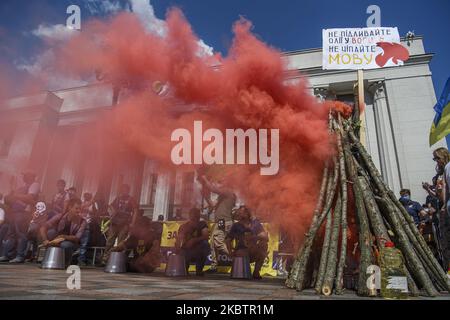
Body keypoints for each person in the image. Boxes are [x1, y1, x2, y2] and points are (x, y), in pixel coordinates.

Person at [197, 173, 236, 273]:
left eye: (221, 182)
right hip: (220, 222)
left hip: (224, 221)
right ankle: (214, 266)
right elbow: (212, 205)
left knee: (218, 242)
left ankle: (234, 259)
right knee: (213, 244)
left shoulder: (228, 192)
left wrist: (205, 178)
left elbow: (213, 189)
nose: (219, 184)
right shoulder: (222, 196)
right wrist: (205, 196)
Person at [0, 172, 40, 263]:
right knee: (11, 234)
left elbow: (30, 198)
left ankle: (20, 256)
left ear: (32, 176)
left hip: (24, 212)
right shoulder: (23, 186)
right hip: (14, 212)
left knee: (21, 234)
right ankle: (8, 255)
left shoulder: (35, 185)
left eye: (26, 174)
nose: (24, 176)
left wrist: (16, 196)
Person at [225, 206, 268, 279]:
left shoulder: (255, 224)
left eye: (243, 212)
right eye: (240, 212)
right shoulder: (236, 225)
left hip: (253, 249)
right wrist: (230, 252)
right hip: (241, 250)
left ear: (248, 213)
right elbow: (228, 239)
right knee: (242, 252)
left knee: (264, 245)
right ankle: (242, 272)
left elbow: (265, 237)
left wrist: (254, 237)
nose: (240, 214)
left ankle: (256, 272)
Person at [40, 198, 86, 266]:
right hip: (57, 239)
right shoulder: (60, 216)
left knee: (66, 245)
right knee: (50, 233)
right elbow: (43, 227)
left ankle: (65, 263)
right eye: (76, 208)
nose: (78, 211)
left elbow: (77, 238)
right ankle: (48, 260)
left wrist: (63, 237)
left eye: (80, 209)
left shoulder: (82, 221)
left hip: (71, 242)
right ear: (70, 207)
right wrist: (45, 240)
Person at [101, 184, 138, 265]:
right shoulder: (118, 198)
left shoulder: (131, 199)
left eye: (125, 189)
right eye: (122, 189)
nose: (123, 191)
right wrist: (112, 213)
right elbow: (110, 206)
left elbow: (135, 211)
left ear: (128, 191)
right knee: (110, 241)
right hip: (114, 222)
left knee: (121, 243)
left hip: (124, 223)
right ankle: (105, 259)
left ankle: (118, 260)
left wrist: (132, 223)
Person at [175, 208, 210, 276]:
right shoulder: (184, 226)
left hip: (198, 249)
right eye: (193, 214)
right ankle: (184, 269)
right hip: (186, 250)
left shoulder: (202, 224)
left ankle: (199, 270)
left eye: (197, 215)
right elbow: (179, 240)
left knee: (205, 244)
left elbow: (206, 236)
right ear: (189, 215)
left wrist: (194, 240)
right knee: (179, 249)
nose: (195, 216)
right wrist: (179, 245)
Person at [432, 147, 450, 270]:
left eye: (436, 158)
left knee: (446, 243)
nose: (436, 161)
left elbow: (444, 191)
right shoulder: (442, 172)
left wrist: (444, 204)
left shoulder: (447, 169)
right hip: (444, 209)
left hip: (445, 210)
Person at [78, 192, 95, 266]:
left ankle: (81, 259)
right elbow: (80, 208)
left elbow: (94, 213)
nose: (86, 197)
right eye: (85, 196)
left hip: (87, 224)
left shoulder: (93, 205)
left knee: (84, 243)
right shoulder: (81, 203)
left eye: (88, 196)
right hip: (79, 223)